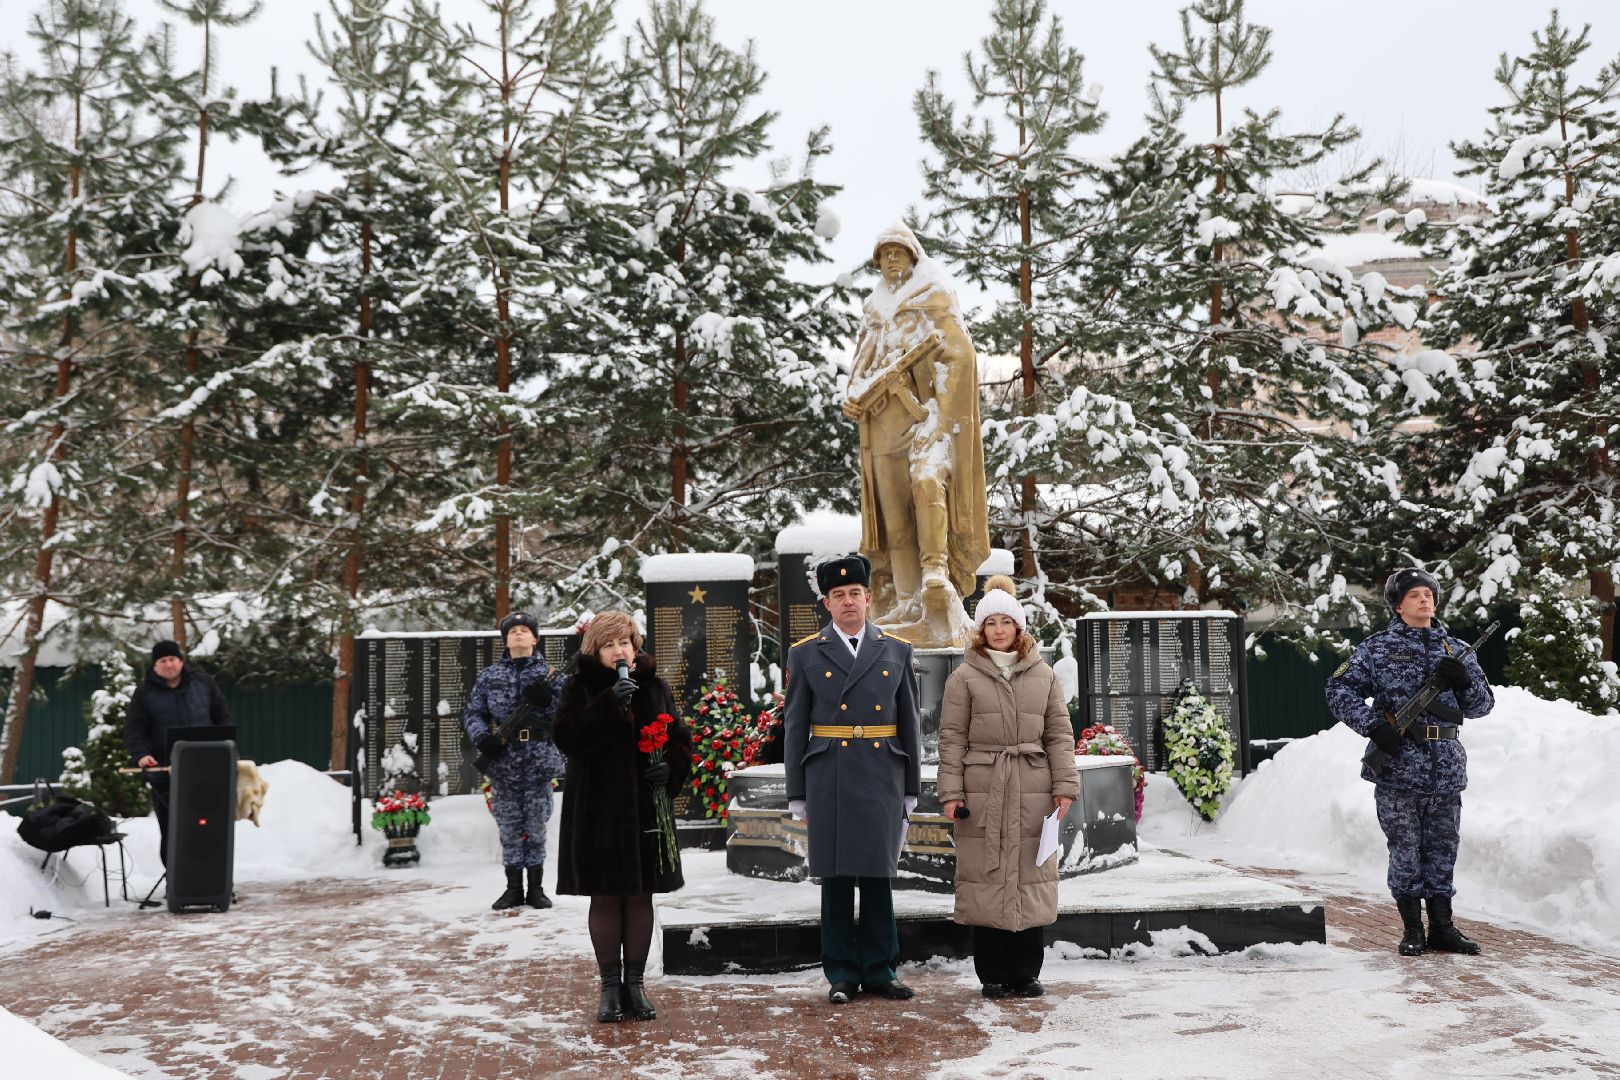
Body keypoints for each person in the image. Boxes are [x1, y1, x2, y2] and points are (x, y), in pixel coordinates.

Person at [1325, 568, 1494, 957]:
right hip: (1399, 766)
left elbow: (1482, 706)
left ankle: (1443, 929)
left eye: (1429, 594)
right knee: (1405, 850)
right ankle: (1412, 930)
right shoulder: (1377, 648)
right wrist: (1373, 727)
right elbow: (1338, 689)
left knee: (1443, 849)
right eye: (1415, 595)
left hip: (1446, 769)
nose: (1424, 599)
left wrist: (1464, 681)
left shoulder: (1456, 649)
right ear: (1398, 605)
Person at [782, 553, 922, 1005]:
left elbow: (910, 722)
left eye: (855, 594)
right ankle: (841, 971)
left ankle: (882, 969)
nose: (848, 602)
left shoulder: (897, 650)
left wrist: (912, 786)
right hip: (830, 774)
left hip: (882, 771)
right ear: (827, 603)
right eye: (838, 595)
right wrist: (797, 791)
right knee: (836, 878)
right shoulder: (805, 653)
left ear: (869, 598)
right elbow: (794, 726)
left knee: (879, 877)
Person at [841, 222, 989, 647]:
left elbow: (959, 356)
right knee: (894, 518)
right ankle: (907, 599)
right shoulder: (873, 309)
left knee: (927, 484)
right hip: (881, 427)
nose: (891, 260)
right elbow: (860, 369)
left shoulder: (933, 295)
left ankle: (935, 576)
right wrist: (852, 398)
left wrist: (939, 419)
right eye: (884, 254)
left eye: (898, 252)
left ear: (912, 256)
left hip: (926, 421)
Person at [936, 576, 1078, 998]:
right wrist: (951, 792)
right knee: (987, 875)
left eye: (1006, 622)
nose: (998, 630)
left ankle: (1026, 972)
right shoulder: (964, 677)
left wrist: (1065, 785)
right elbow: (951, 738)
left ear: (1018, 627)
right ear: (981, 629)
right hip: (985, 787)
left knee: (1031, 876)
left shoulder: (1044, 675)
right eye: (990, 623)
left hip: (1033, 786)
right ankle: (993, 974)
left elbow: (1059, 734)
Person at [552, 611, 692, 1023]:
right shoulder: (579, 687)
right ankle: (610, 987)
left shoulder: (655, 686)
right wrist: (609, 702)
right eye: (609, 644)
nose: (619, 651)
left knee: (641, 895)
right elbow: (567, 737)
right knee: (606, 896)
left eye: (625, 642)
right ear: (595, 651)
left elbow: (680, 738)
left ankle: (636, 986)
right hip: (597, 809)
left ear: (635, 646)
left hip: (646, 809)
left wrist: (670, 768)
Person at [463, 610, 564, 911]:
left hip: (538, 760)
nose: (518, 633)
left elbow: (570, 714)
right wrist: (483, 738)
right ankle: (513, 889)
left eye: (525, 630)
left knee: (536, 826)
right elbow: (473, 713)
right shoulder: (489, 676)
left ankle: (536, 889)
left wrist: (550, 701)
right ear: (505, 640)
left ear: (535, 639)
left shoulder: (552, 676)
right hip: (504, 761)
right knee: (508, 827)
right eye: (512, 631)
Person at [124, 639, 231, 867]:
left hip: (207, 772)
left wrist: (225, 748)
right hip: (164, 776)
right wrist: (141, 755)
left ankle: (211, 874)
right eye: (163, 661)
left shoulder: (203, 684)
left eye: (172, 659)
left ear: (181, 661)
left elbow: (223, 718)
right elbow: (134, 730)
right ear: (155, 666)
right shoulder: (144, 694)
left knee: (209, 825)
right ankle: (175, 877)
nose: (169, 665)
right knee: (172, 829)